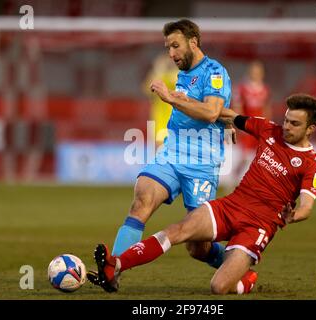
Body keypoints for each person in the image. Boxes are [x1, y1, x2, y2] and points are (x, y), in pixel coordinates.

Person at [91, 93, 316, 294]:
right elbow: (228, 115)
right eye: (286, 120)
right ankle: (116, 264)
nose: (286, 127)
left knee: (218, 287)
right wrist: (184, 100)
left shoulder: (312, 163)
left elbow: (307, 205)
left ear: (310, 129)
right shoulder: (268, 129)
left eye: (294, 124)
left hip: (258, 225)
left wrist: (294, 215)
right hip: (231, 206)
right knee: (180, 233)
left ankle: (245, 281)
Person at [87, 19, 233, 288]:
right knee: (142, 197)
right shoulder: (183, 73)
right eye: (168, 48)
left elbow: (211, 112)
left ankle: (235, 264)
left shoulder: (215, 72)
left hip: (202, 163)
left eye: (175, 46)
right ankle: (113, 271)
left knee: (197, 247)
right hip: (172, 153)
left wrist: (171, 98)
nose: (171, 54)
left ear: (194, 42)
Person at [229, 60, 271, 185]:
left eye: (258, 71)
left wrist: (268, 126)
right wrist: (240, 125)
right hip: (248, 126)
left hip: (260, 127)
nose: (256, 74)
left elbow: (266, 108)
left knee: (260, 156)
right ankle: (234, 177)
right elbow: (238, 107)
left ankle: (257, 184)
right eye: (254, 71)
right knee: (245, 156)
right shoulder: (242, 88)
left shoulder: (265, 89)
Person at [142, 53, 178, 146]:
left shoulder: (178, 77)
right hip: (160, 124)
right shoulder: (160, 78)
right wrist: (158, 70)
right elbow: (147, 89)